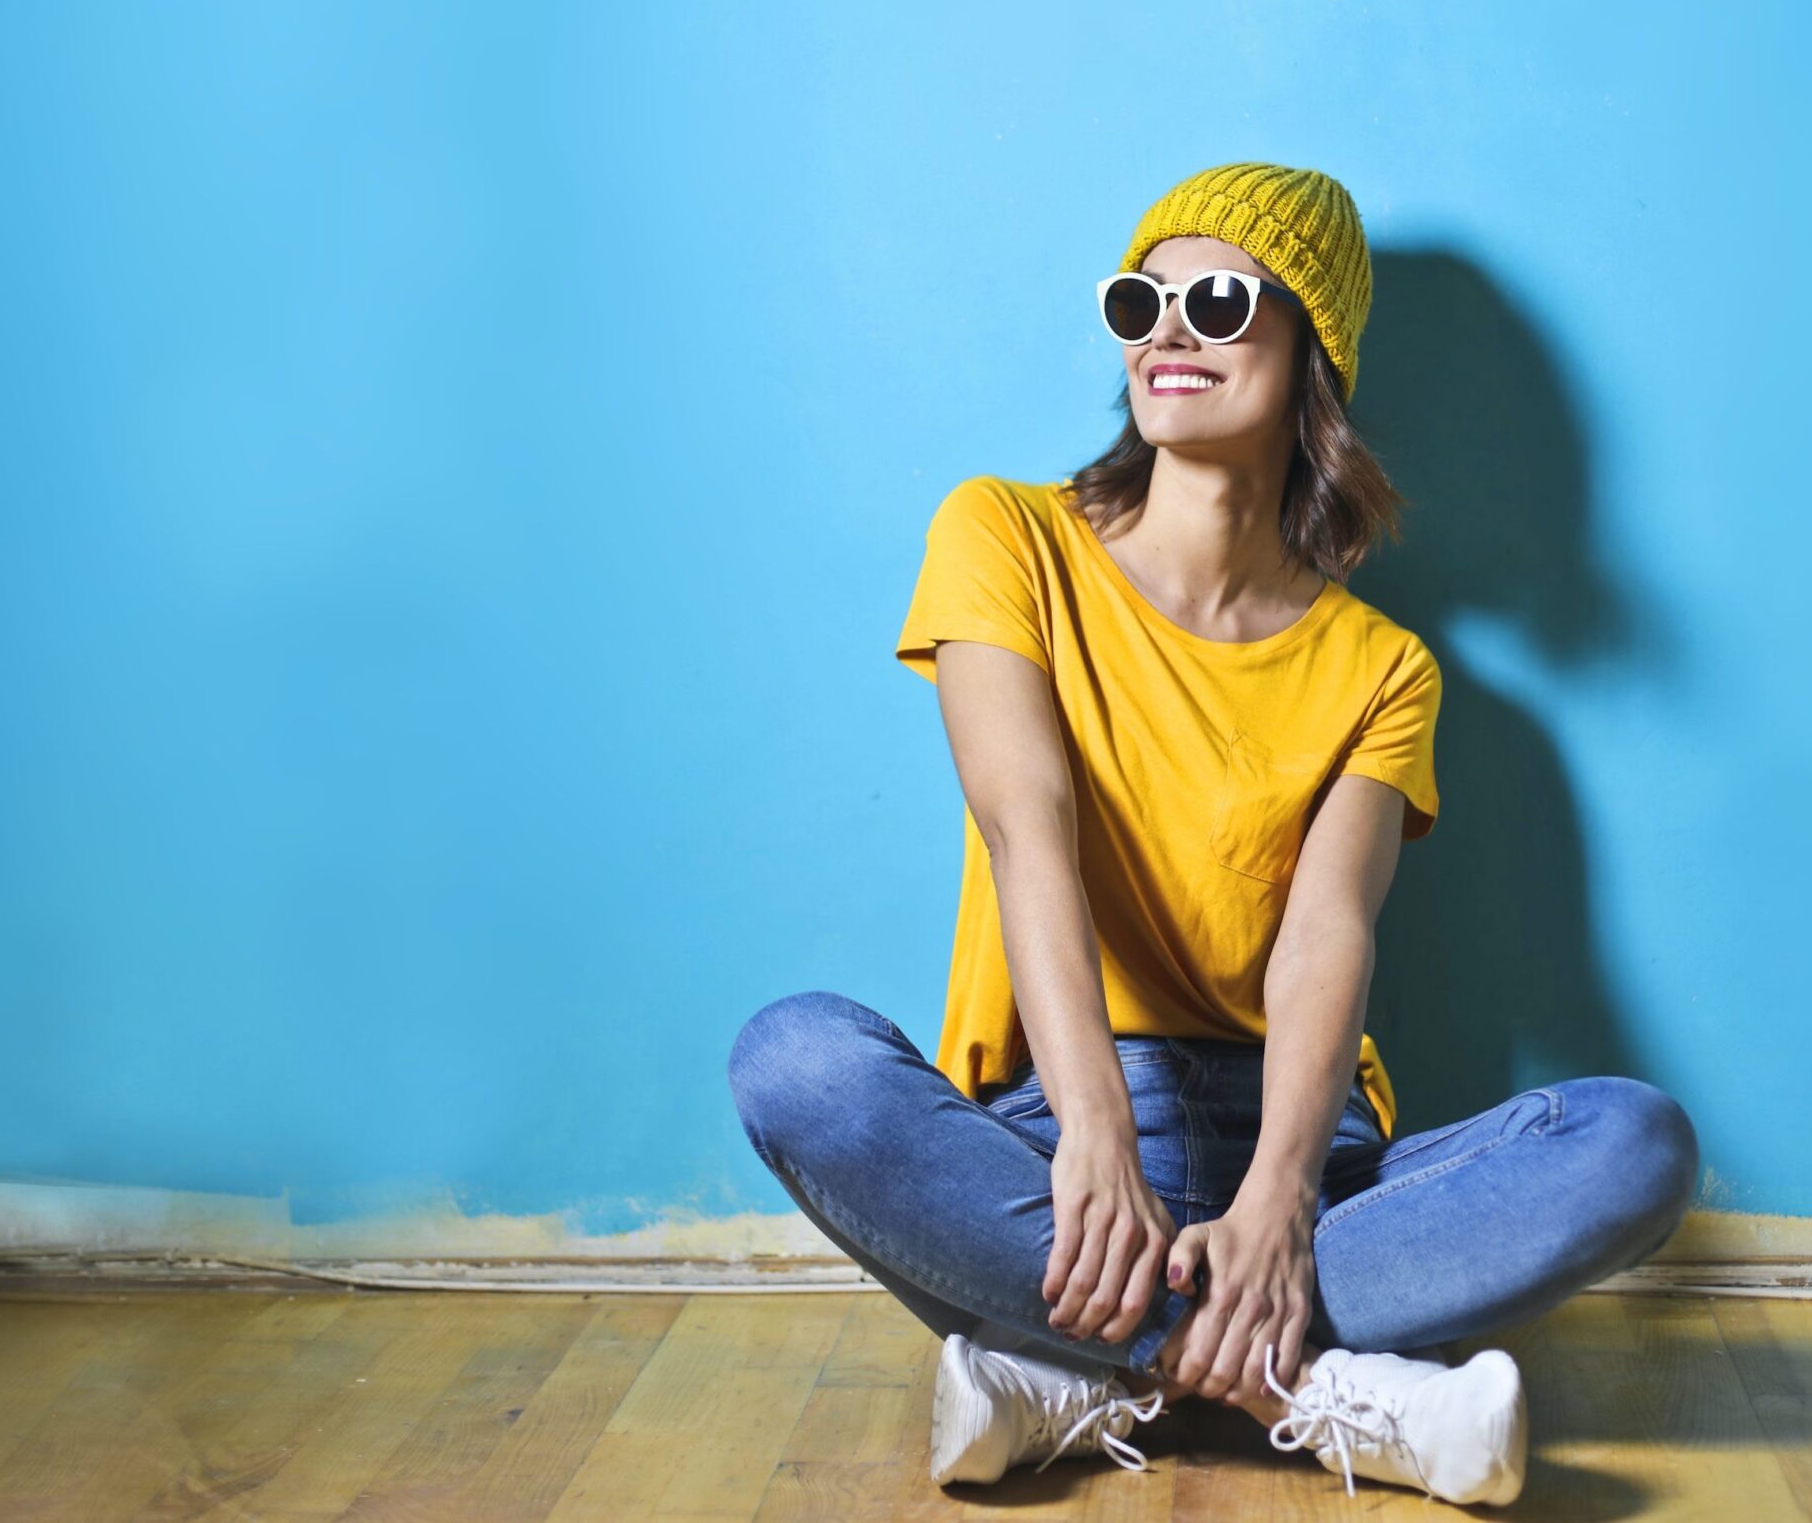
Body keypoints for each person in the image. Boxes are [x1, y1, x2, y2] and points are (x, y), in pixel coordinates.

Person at [726, 161, 1700, 1506]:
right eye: (1142, 300)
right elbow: (1030, 831)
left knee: (1635, 1141)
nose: (1166, 331)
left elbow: (1325, 938)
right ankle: (1326, 1390)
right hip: (1053, 1138)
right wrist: (1098, 1143)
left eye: (1221, 300)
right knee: (795, 1061)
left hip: (1311, 1154)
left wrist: (1283, 1202)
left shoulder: (1382, 669)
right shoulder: (1004, 535)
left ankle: (1088, 1373)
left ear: (1315, 351)